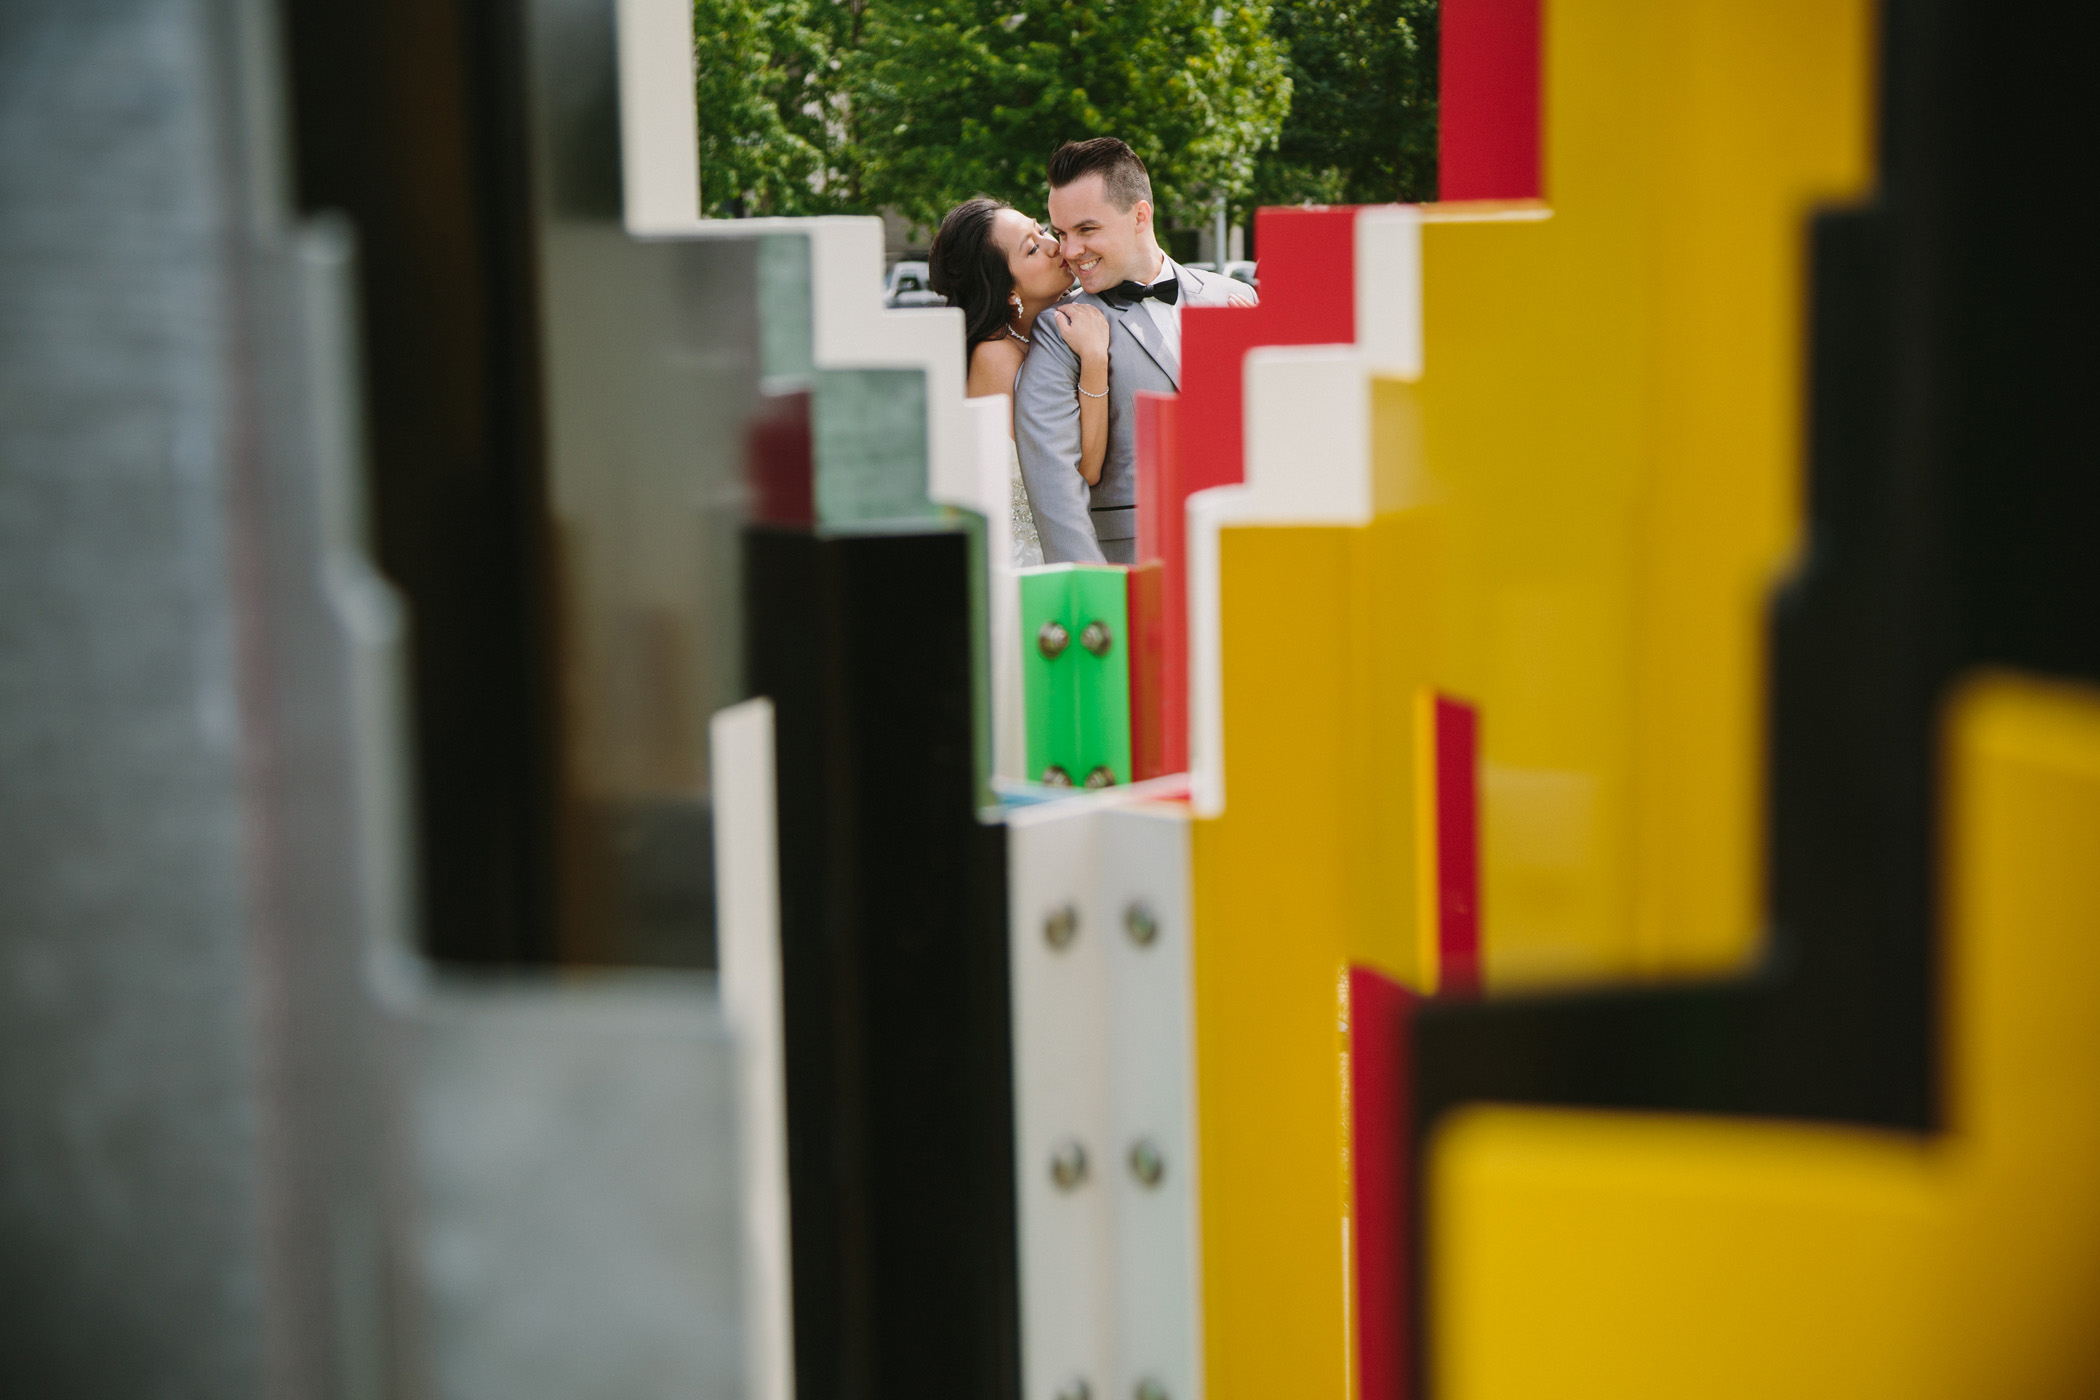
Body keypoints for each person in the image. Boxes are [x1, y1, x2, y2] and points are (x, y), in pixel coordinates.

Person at [1015, 137, 1257, 564]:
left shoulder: (1237, 299)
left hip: (1246, 559)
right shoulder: (1060, 330)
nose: (1071, 251)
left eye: (1087, 229)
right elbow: (1056, 491)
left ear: (1140, 216)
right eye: (1062, 234)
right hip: (1134, 572)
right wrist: (1092, 598)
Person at [927, 197, 1111, 566]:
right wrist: (1093, 360)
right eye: (1032, 249)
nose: (1053, 244)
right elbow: (1081, 469)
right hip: (1025, 561)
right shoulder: (995, 357)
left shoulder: (1044, 331)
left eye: (1040, 230)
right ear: (1009, 291)